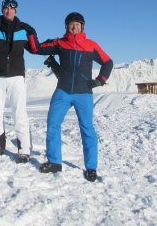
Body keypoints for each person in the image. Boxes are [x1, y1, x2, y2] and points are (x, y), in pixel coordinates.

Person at [27, 12, 113, 182]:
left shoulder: (91, 45)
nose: (74, 27)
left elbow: (108, 62)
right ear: (66, 26)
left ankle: (91, 168)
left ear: (82, 27)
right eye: (71, 24)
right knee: (53, 124)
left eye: (77, 24)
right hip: (63, 92)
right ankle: (54, 162)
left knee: (87, 129)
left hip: (84, 94)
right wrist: (30, 32)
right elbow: (35, 49)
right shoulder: (60, 43)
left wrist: (100, 81)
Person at [0, 0, 37, 163]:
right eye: (6, 8)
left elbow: (34, 49)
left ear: (16, 11)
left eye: (12, 9)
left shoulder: (23, 30)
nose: (9, 11)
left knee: (19, 113)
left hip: (17, 76)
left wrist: (32, 32)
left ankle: (24, 151)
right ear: (2, 10)